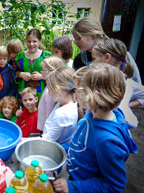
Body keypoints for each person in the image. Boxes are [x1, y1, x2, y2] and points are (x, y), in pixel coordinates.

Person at [52, 64, 138, 193]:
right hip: (77, 172)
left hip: (84, 185)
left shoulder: (106, 141)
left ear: (92, 96)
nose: (74, 94)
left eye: (77, 90)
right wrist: (59, 155)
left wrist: (72, 187)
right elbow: (81, 142)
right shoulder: (92, 113)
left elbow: (115, 185)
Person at [92, 38, 144, 129]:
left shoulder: (125, 83)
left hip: (114, 128)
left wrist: (124, 106)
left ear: (107, 57)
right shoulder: (104, 79)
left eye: (94, 58)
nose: (91, 63)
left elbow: (131, 122)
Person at [72, 17, 142, 84]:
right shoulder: (79, 59)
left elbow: (135, 82)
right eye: (75, 39)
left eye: (78, 38)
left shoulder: (118, 53)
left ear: (93, 36)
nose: (75, 42)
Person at [13, 28, 51, 105]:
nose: (31, 44)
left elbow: (55, 74)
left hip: (42, 93)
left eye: (34, 41)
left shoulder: (47, 56)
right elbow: (13, 73)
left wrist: (42, 76)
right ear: (26, 41)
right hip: (24, 95)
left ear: (40, 42)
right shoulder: (20, 56)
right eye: (29, 41)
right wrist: (21, 74)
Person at [42, 67, 78, 145]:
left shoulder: (60, 114)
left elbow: (47, 142)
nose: (48, 93)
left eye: (49, 89)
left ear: (56, 89)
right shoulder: (73, 102)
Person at [37, 56, 65, 131]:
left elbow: (49, 111)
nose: (41, 71)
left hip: (46, 127)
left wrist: (46, 129)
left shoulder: (51, 91)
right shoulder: (49, 86)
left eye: (43, 70)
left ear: (51, 72)